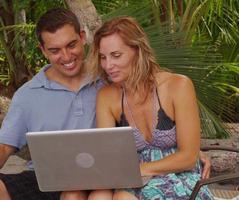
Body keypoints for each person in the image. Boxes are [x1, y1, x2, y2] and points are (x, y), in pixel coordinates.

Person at [0, 8, 211, 200]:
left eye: (71, 45)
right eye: (55, 50)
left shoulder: (105, 81)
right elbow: (2, 146)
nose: (66, 57)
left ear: (82, 38)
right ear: (43, 50)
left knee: (88, 193)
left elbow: (173, 139)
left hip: (101, 177)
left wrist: (188, 151)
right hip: (47, 177)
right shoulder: (30, 94)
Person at [88, 16, 214, 199]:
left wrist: (141, 170)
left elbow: (188, 157)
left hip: (177, 174)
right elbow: (109, 154)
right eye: (103, 57)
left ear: (138, 51)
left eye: (116, 55)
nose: (108, 66)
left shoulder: (178, 86)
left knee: (123, 198)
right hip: (133, 177)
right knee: (98, 197)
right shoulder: (107, 96)